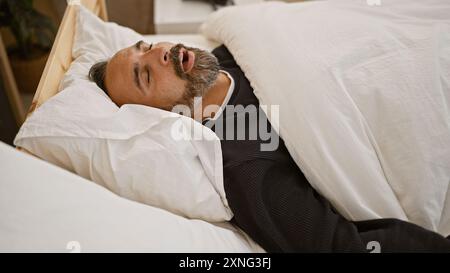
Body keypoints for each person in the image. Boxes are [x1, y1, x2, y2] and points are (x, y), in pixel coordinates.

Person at [89, 41, 450, 252]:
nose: (161, 54)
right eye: (146, 75)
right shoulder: (247, 166)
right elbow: (344, 248)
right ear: (158, 118)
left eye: (148, 47)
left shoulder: (236, 46)